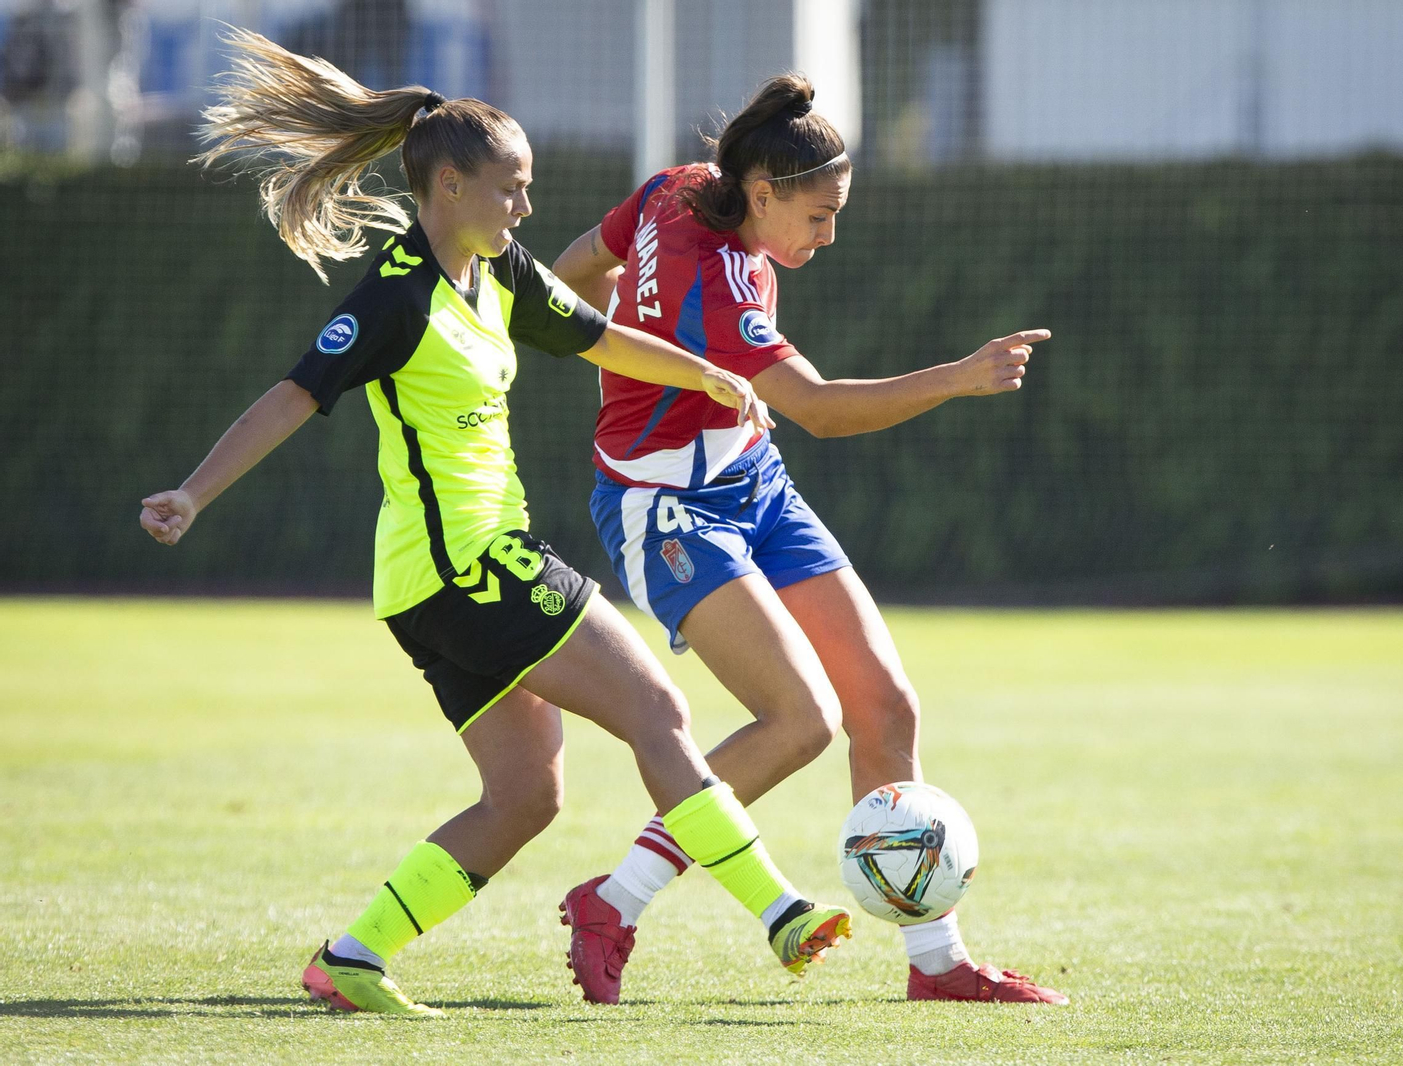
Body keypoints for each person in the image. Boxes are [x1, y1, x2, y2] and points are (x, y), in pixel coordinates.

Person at [137, 30, 851, 1017]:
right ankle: (777, 911)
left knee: (527, 796)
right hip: (470, 569)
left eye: (527, 186)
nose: (524, 206)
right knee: (658, 711)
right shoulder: (397, 294)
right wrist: (193, 491)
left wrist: (706, 372)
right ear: (448, 188)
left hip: (437, 584)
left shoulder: (497, 267)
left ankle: (352, 956)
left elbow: (596, 333)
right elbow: (295, 394)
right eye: (509, 188)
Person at [549, 73, 1065, 1005]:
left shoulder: (673, 186)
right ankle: (615, 899)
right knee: (801, 722)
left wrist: (612, 341)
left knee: (887, 708)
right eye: (820, 216)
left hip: (754, 484)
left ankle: (937, 965)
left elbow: (578, 267)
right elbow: (823, 413)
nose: (829, 235)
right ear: (762, 193)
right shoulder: (716, 282)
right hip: (667, 509)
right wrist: (959, 375)